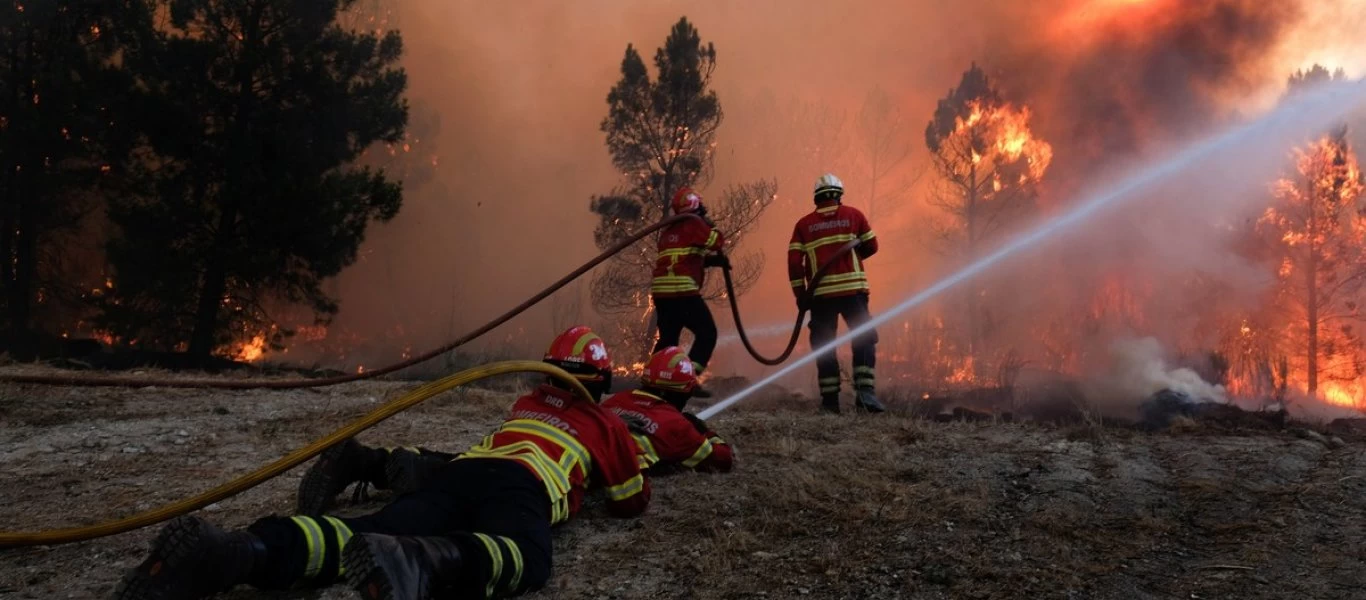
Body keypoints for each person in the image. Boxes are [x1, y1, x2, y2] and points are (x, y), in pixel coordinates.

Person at [112, 325, 650, 600]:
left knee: (360, 532)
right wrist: (629, 447)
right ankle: (417, 565)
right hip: (521, 489)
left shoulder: (527, 404)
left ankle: (236, 551)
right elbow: (630, 502)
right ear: (600, 382)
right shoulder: (605, 426)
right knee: (526, 558)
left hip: (460, 474)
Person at [294, 347, 733, 512]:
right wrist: (704, 432)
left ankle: (375, 461)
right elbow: (720, 460)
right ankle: (398, 469)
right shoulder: (678, 425)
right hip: (579, 465)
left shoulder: (615, 402)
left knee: (473, 468)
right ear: (683, 391)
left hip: (538, 439)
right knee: (495, 491)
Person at [787, 173, 887, 415]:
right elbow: (872, 246)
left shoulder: (803, 225)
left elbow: (793, 263)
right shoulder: (854, 216)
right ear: (839, 195)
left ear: (817, 198)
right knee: (863, 338)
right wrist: (852, 255)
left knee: (824, 345)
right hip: (853, 292)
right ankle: (865, 394)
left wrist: (801, 294)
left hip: (821, 296)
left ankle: (830, 402)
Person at [601, 346, 734, 474]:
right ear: (682, 392)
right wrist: (702, 430)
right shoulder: (677, 425)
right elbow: (723, 459)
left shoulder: (617, 399)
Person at [651, 186, 727, 402]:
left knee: (668, 338)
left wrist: (712, 262)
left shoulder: (668, 230)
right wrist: (710, 225)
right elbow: (716, 241)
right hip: (682, 291)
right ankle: (687, 379)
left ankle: (654, 380)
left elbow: (684, 259)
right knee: (707, 333)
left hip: (662, 293)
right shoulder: (695, 224)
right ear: (696, 205)